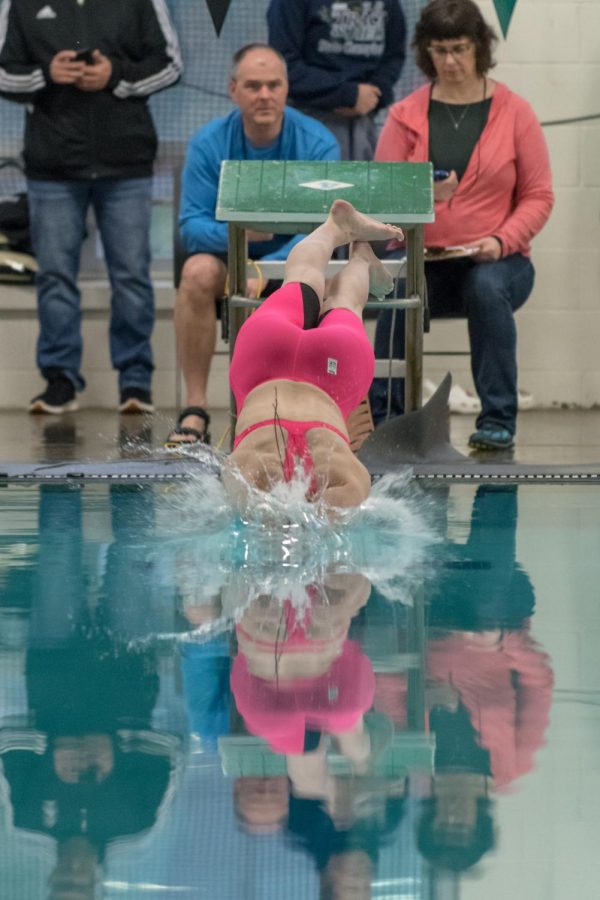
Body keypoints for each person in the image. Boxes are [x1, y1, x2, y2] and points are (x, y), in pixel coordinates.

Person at [370, 0, 554, 451]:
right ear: (425, 52)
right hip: (424, 260)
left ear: (480, 48)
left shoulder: (516, 112)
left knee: (486, 288)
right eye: (439, 50)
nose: (449, 62)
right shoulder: (404, 115)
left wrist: (501, 239)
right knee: (395, 288)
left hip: (498, 261)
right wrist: (421, 197)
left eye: (459, 49)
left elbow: (539, 196)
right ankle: (387, 417)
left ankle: (497, 419)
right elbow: (381, 200)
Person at [0, 0, 182, 415]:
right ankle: (60, 381)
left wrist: (113, 76)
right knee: (54, 276)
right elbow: (4, 71)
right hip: (52, 167)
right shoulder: (21, 4)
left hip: (127, 164)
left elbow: (170, 65)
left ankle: (136, 382)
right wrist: (47, 74)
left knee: (132, 275)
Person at [167, 43, 340, 446]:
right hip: (231, 261)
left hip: (294, 264)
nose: (263, 95)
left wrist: (270, 269)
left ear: (286, 88)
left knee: (331, 281)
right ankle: (195, 408)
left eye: (272, 85)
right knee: (196, 273)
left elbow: (323, 227)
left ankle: (319, 410)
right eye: (252, 85)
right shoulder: (208, 143)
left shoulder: (318, 143)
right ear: (233, 90)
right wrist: (242, 237)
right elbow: (191, 226)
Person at [224, 198, 403, 510]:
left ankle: (361, 260)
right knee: (303, 275)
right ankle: (336, 229)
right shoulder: (249, 470)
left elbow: (359, 488)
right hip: (265, 359)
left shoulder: (337, 471)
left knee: (346, 301)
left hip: (331, 378)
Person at [267, 0, 407, 160]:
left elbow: (394, 55)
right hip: (308, 118)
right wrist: (349, 94)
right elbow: (284, 65)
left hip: (364, 121)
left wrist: (374, 94)